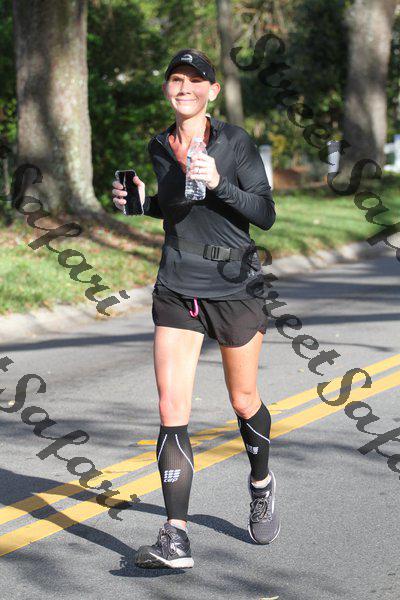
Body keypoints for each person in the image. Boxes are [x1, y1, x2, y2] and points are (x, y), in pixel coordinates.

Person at [112, 48, 279, 570]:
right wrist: (142, 203)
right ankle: (176, 535)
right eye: (176, 80)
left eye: (194, 81)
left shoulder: (235, 142)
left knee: (243, 400)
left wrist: (218, 183)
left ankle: (261, 482)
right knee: (171, 408)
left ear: (211, 90)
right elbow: (176, 207)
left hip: (235, 285)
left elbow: (265, 214)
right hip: (178, 285)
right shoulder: (160, 144)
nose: (183, 88)